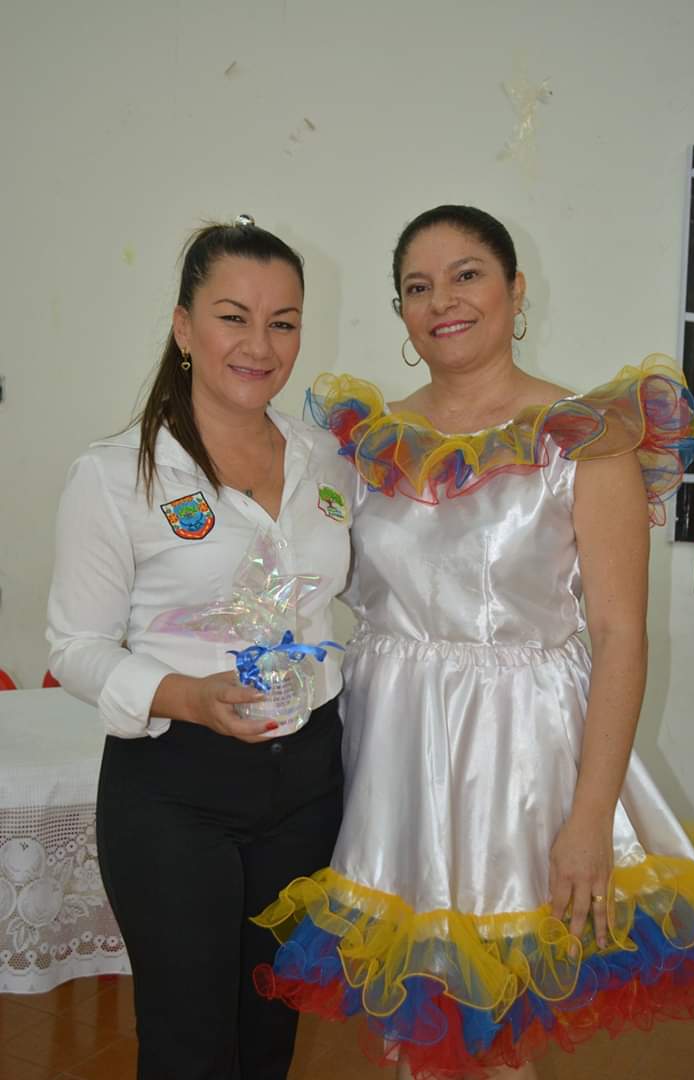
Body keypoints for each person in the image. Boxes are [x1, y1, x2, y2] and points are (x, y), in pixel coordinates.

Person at [253, 205, 694, 1079]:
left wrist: (589, 818)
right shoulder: (360, 443)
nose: (442, 302)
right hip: (390, 756)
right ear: (400, 314)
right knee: (410, 1024)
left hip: (522, 766)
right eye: (417, 288)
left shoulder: (585, 437)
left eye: (466, 274)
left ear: (514, 290)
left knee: (500, 1027)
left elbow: (621, 636)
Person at [47, 218, 353, 1080]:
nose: (260, 345)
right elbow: (74, 645)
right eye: (233, 317)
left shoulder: (329, 461)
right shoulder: (116, 476)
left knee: (270, 1028)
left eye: (284, 321)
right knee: (188, 1040)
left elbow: (358, 592)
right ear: (184, 327)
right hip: (174, 783)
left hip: (308, 780)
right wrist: (187, 696)